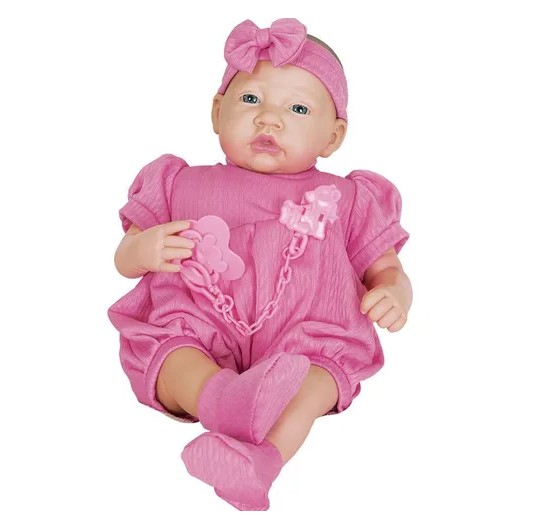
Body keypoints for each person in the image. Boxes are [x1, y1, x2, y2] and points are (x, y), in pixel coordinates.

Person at [108, 18, 413, 511]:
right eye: (251, 99)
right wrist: (141, 250)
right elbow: (125, 258)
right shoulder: (177, 182)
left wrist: (395, 290)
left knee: (315, 381)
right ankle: (221, 399)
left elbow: (387, 267)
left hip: (308, 334)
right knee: (172, 354)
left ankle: (261, 462)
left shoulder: (349, 198)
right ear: (217, 111)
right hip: (199, 322)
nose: (269, 119)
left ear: (333, 137)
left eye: (298, 108)